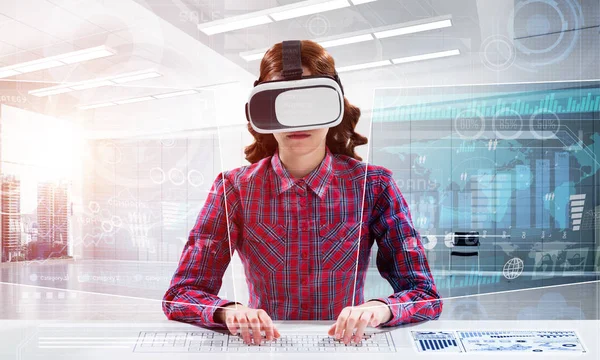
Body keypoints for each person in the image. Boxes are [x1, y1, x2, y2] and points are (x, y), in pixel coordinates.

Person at [162, 40, 442, 346]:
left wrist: (379, 310)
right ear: (263, 110)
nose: (297, 119)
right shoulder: (234, 189)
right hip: (264, 349)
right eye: (282, 102)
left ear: (335, 105)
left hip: (345, 349)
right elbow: (181, 293)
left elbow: (423, 292)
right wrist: (229, 312)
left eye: (310, 102)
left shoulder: (374, 186)